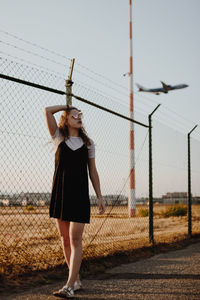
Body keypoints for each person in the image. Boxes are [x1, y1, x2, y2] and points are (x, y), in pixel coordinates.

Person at [44, 104, 106, 298]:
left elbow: (93, 172)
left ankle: (69, 286)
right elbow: (47, 111)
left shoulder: (88, 144)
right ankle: (76, 280)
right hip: (60, 194)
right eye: (74, 115)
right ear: (66, 119)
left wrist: (100, 196)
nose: (79, 118)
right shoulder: (58, 138)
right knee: (65, 240)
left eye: (80, 115)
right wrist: (67, 106)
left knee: (76, 239)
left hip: (79, 196)